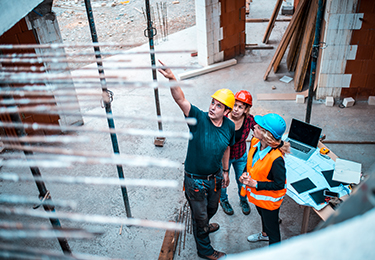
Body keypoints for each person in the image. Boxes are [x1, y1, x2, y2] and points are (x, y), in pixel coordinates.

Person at [158, 60, 235, 260]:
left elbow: (227, 147)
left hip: (216, 178)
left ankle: (203, 226)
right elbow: (181, 100)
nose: (213, 108)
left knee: (212, 208)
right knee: (199, 215)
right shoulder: (198, 118)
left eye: (219, 106)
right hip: (195, 181)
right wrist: (173, 78)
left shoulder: (229, 126)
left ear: (226, 112)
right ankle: (205, 250)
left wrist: (226, 171)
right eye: (213, 103)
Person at [239, 113, 290, 245]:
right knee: (263, 217)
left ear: (266, 135)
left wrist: (256, 184)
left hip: (269, 202)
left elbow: (279, 185)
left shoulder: (276, 159)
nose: (254, 126)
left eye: (259, 126)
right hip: (259, 197)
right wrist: (245, 173)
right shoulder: (256, 142)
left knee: (273, 230)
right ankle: (264, 234)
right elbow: (251, 162)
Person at [220, 90, 255, 216]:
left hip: (240, 156)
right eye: (235, 105)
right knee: (223, 181)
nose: (236, 109)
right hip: (225, 158)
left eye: (240, 107)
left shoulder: (249, 120)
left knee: (242, 180)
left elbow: (259, 130)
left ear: (246, 110)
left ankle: (243, 200)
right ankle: (223, 200)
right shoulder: (224, 119)